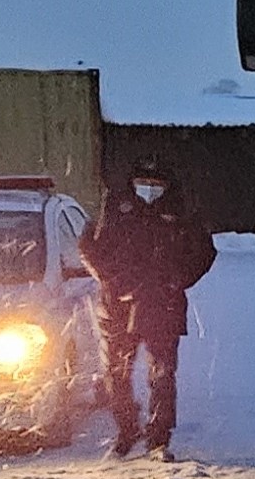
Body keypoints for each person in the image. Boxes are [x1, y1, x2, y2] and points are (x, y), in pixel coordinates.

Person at [79, 160, 217, 459]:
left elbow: (204, 250)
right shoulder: (115, 206)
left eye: (157, 185)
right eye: (144, 183)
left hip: (161, 303)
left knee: (163, 373)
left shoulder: (180, 209)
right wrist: (109, 279)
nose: (150, 191)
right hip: (117, 304)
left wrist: (178, 279)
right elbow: (89, 245)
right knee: (116, 373)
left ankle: (158, 439)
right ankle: (127, 431)